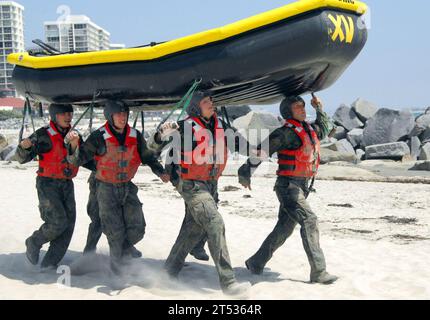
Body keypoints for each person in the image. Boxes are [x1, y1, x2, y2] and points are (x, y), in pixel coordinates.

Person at [152, 91, 255, 295]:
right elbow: (152, 148)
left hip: (211, 186)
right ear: (195, 107)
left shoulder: (221, 126)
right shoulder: (183, 128)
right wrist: (160, 134)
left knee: (193, 229)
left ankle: (167, 274)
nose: (211, 103)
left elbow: (240, 144)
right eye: (206, 101)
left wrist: (256, 151)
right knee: (215, 223)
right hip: (192, 185)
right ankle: (229, 282)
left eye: (211, 100)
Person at [239, 95, 338, 284]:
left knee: (284, 228)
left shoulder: (309, 129)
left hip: (302, 186)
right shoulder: (285, 133)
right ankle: (319, 272)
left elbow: (324, 128)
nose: (302, 109)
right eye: (297, 107)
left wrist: (318, 108)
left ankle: (256, 262)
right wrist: (245, 172)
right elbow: (262, 150)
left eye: (302, 106)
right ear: (288, 112)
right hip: (288, 187)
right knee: (309, 220)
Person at [67, 100, 169, 273]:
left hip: (127, 187)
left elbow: (148, 157)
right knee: (114, 232)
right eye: (118, 114)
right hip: (105, 188)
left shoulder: (135, 135)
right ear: (110, 116)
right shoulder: (99, 136)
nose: (123, 117)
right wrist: (74, 144)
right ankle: (117, 272)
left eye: (125, 114)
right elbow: (77, 160)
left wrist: (160, 172)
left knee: (138, 229)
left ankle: (124, 251)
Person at [16, 104, 80, 269]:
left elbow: (84, 157)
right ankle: (34, 242)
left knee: (68, 226)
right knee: (58, 222)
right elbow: (21, 158)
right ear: (54, 115)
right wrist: (24, 146)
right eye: (63, 114)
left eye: (70, 113)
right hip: (48, 184)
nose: (68, 116)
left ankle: (50, 264)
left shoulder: (74, 135)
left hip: (66, 184)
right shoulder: (43, 134)